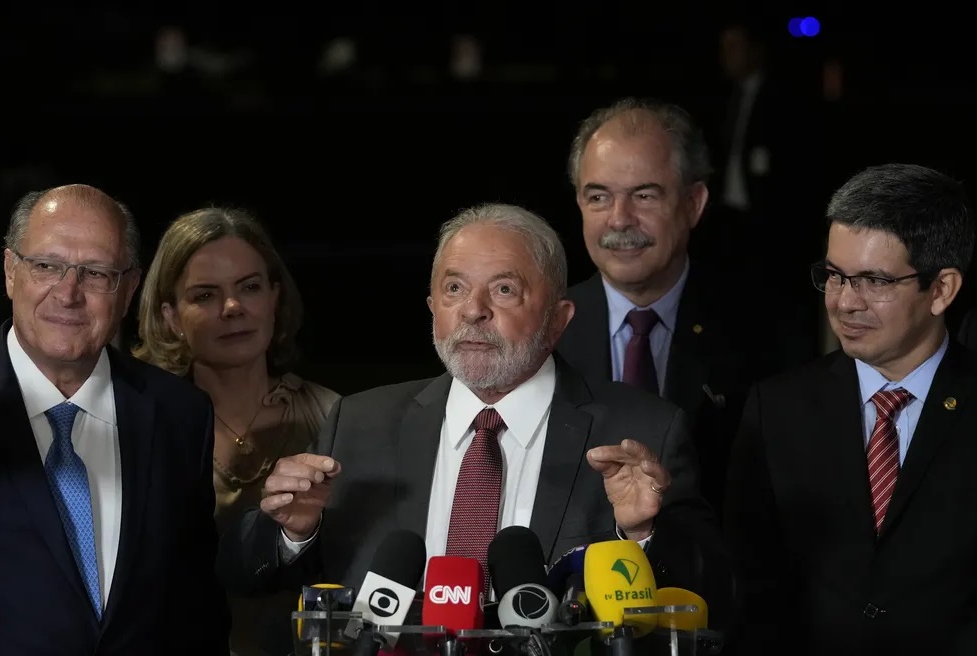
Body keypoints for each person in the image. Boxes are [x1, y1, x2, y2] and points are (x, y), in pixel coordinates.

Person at [217, 202, 736, 636]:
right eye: (454, 289)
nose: (473, 311)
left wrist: (641, 533)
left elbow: (716, 593)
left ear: (559, 319)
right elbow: (245, 577)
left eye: (504, 289)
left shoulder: (642, 430)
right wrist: (293, 534)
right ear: (432, 308)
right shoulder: (359, 423)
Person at [724, 163, 977, 655]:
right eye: (835, 276)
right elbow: (751, 591)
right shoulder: (776, 410)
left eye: (874, 281)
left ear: (942, 289)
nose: (844, 302)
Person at [0, 184, 229, 655]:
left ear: (129, 290)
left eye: (96, 273)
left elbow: (196, 609)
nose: (69, 293)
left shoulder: (181, 415)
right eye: (46, 266)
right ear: (10, 271)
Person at [556, 97, 813, 516]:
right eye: (599, 197)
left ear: (693, 203)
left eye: (644, 195)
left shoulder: (766, 332)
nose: (619, 219)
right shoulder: (545, 331)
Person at [132, 207, 340, 656]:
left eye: (249, 287)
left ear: (274, 297)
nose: (232, 308)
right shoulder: (138, 424)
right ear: (170, 316)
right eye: (205, 295)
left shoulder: (334, 417)